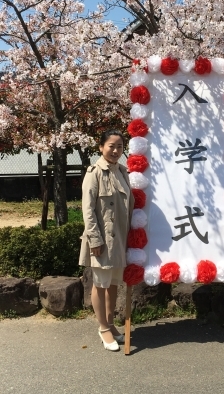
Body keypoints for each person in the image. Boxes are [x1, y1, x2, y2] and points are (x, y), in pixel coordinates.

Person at [79, 129, 134, 352]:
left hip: (119, 238)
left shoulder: (122, 171)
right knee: (100, 283)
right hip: (102, 239)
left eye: (120, 147)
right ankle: (103, 328)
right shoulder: (94, 173)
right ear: (101, 147)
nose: (115, 150)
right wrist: (94, 239)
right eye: (111, 146)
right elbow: (88, 209)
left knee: (113, 283)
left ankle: (110, 323)